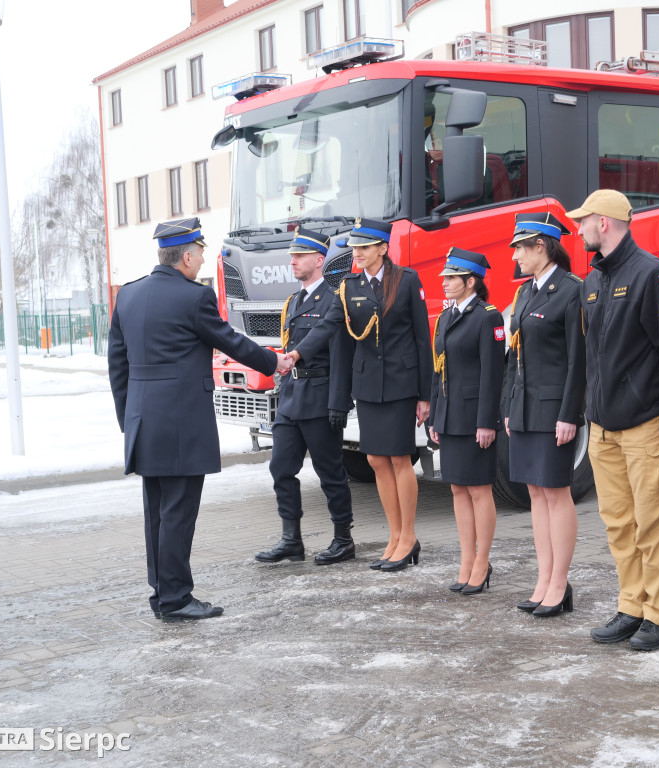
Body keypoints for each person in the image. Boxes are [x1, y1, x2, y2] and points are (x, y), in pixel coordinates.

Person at [108, 218, 292, 622]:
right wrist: (273, 361)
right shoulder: (194, 298)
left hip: (143, 422)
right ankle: (176, 599)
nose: (203, 260)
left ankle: (162, 593)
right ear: (187, 258)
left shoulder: (128, 295)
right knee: (178, 512)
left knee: (157, 512)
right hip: (181, 424)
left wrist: (129, 421)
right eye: (201, 253)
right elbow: (231, 341)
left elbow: (117, 366)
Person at [568, 189, 659, 651]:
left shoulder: (652, 275)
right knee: (619, 524)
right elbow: (589, 357)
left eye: (584, 221)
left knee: (652, 524)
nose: (579, 229)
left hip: (645, 427)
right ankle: (631, 606)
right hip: (604, 430)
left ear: (603, 222)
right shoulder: (592, 281)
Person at [254, 228, 356, 566]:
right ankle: (291, 540)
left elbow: (341, 356)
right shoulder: (294, 301)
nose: (293, 261)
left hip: (320, 398)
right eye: (292, 256)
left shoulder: (333, 299)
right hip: (291, 397)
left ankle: (343, 539)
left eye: (300, 256)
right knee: (281, 468)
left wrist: (338, 402)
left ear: (319, 259)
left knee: (331, 473)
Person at [337, 218, 433, 572]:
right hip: (368, 384)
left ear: (382, 248)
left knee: (399, 458)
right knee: (376, 459)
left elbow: (422, 338)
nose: (357, 253)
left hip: (400, 383)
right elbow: (346, 339)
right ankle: (394, 536)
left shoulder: (406, 280)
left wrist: (425, 394)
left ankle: (408, 536)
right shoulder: (350, 286)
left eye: (364, 247)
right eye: (355, 248)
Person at [503, 213, 585, 618]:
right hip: (524, 409)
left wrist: (570, 414)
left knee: (555, 492)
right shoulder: (524, 293)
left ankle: (560, 582)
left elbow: (578, 360)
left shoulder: (571, 290)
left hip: (554, 411)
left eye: (521, 247)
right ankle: (544, 577)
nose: (515, 256)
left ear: (542, 246)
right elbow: (513, 356)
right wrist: (508, 406)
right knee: (535, 493)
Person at [429, 248, 505, 595]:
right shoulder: (447, 317)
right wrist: (435, 415)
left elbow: (493, 373)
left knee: (478, 489)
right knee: (457, 488)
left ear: (471, 281)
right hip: (450, 415)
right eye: (445, 277)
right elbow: (439, 369)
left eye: (451, 278)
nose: (444, 283)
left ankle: (482, 562)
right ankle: (466, 560)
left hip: (475, 417)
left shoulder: (487, 317)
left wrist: (486, 421)